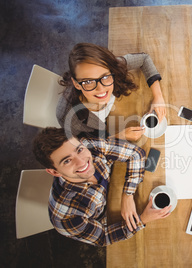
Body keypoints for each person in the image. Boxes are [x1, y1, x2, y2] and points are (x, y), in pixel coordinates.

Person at [32, 127, 170, 246]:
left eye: (79, 150)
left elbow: (136, 153)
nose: (82, 162)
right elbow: (104, 236)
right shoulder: (67, 218)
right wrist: (142, 219)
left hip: (116, 193)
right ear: (54, 172)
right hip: (106, 219)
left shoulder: (88, 144)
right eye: (67, 160)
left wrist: (128, 195)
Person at [57, 42, 166, 141]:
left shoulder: (111, 67)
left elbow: (144, 59)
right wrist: (120, 136)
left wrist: (158, 97)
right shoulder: (69, 118)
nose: (101, 89)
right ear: (76, 84)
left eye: (105, 77)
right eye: (88, 81)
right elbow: (86, 146)